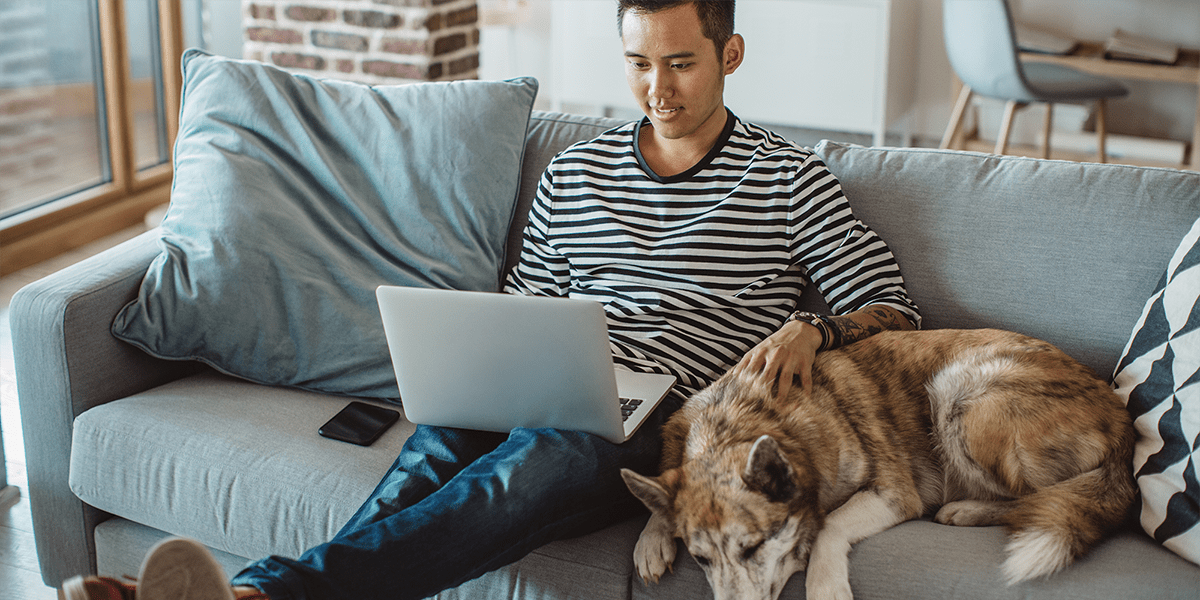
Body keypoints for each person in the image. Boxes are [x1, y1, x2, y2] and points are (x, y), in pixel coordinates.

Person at [62, 2, 919, 599]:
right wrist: (490, 364)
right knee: (430, 459)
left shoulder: (789, 179)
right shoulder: (576, 173)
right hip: (556, 379)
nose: (658, 88)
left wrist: (813, 327)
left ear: (729, 56)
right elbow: (524, 308)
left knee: (526, 469)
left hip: (673, 419)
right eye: (638, 64)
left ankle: (259, 594)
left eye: (681, 63)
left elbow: (894, 307)